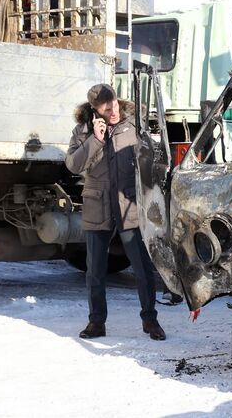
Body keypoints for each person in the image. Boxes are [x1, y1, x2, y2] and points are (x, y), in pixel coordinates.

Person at [65, 83, 166, 341]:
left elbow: (151, 159)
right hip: (98, 206)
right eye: (106, 107)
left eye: (115, 104)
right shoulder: (83, 132)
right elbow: (73, 166)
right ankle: (96, 323)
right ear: (95, 109)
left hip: (128, 205)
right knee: (95, 271)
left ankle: (150, 321)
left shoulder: (133, 127)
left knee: (142, 268)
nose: (113, 110)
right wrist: (94, 141)